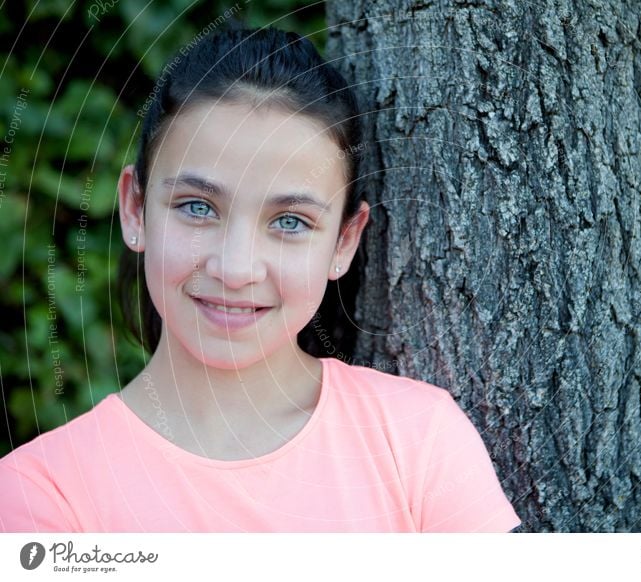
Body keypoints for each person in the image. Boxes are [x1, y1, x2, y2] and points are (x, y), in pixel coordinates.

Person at [0, 25, 521, 533]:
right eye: (198, 207)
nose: (235, 269)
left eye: (290, 221)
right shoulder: (44, 493)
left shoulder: (417, 439)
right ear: (135, 209)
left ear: (344, 241)